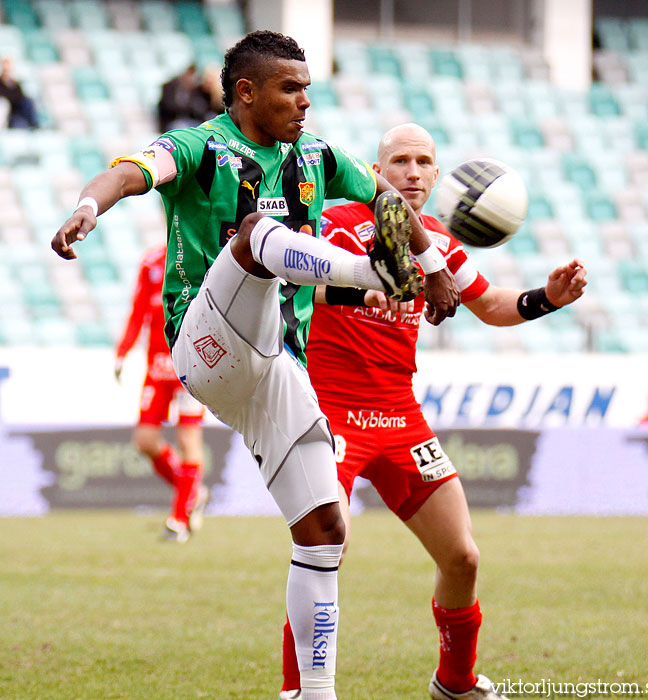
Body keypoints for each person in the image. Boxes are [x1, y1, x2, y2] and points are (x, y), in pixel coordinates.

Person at [51, 31, 460, 700]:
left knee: (325, 531)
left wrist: (436, 264)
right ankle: (370, 269)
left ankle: (312, 694)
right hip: (205, 341)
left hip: (272, 365)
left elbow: (387, 196)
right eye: (290, 88)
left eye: (307, 88)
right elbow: (129, 170)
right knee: (254, 235)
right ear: (246, 92)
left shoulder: (316, 156)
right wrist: (88, 206)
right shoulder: (200, 146)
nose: (305, 101)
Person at [277, 123, 588, 700]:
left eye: (423, 162)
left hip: (399, 418)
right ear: (376, 172)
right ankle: (301, 691)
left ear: (439, 177)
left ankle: (456, 682)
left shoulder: (440, 244)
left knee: (463, 556)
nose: (412, 172)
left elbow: (492, 306)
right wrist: (359, 288)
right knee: (325, 551)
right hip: (330, 413)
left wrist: (547, 298)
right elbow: (295, 284)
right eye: (399, 161)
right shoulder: (338, 226)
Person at [114, 244, 207, 543]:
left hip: (191, 367)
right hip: (156, 368)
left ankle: (179, 520)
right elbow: (139, 310)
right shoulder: (152, 262)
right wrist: (122, 352)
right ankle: (193, 490)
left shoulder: (201, 257)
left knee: (187, 438)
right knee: (144, 441)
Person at [0, 57, 39, 129]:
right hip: (7, 115)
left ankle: (35, 125)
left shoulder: (16, 85)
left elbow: (20, 98)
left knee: (28, 102)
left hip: (17, 113)